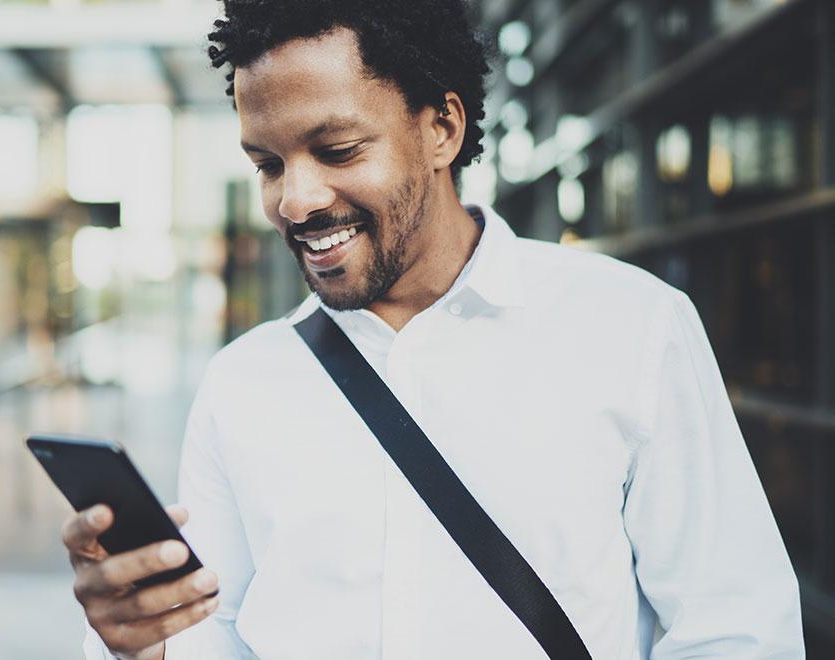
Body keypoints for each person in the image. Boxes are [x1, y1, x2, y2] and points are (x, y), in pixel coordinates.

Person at [61, 1, 804, 657]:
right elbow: (216, 636)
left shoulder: (632, 327)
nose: (295, 200)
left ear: (442, 128)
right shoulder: (243, 384)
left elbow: (736, 627)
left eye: (337, 149)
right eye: (267, 163)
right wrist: (142, 641)